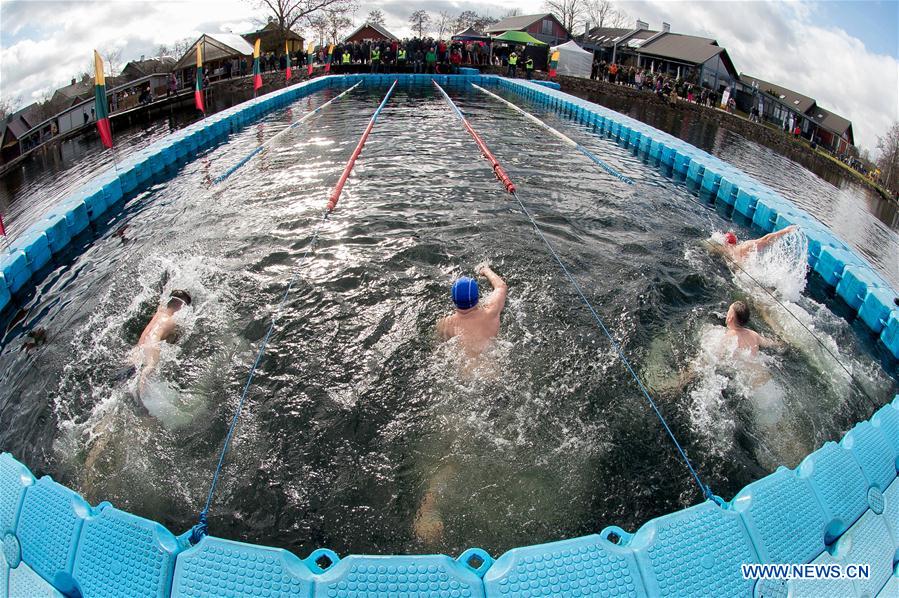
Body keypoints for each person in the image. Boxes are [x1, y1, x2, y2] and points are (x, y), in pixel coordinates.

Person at [437, 265, 507, 358]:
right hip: (492, 363)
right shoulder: (491, 312)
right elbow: (501, 287)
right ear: (477, 297)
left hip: (463, 369)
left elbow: (438, 347)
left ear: (453, 300)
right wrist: (485, 270)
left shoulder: (446, 323)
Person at [132, 290, 192, 390]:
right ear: (182, 307)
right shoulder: (173, 321)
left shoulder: (159, 311)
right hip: (152, 344)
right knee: (150, 368)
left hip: (139, 346)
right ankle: (141, 392)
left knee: (132, 368)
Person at [718, 224, 799, 263]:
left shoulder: (724, 250)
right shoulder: (744, 247)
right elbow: (766, 239)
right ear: (735, 241)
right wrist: (785, 231)